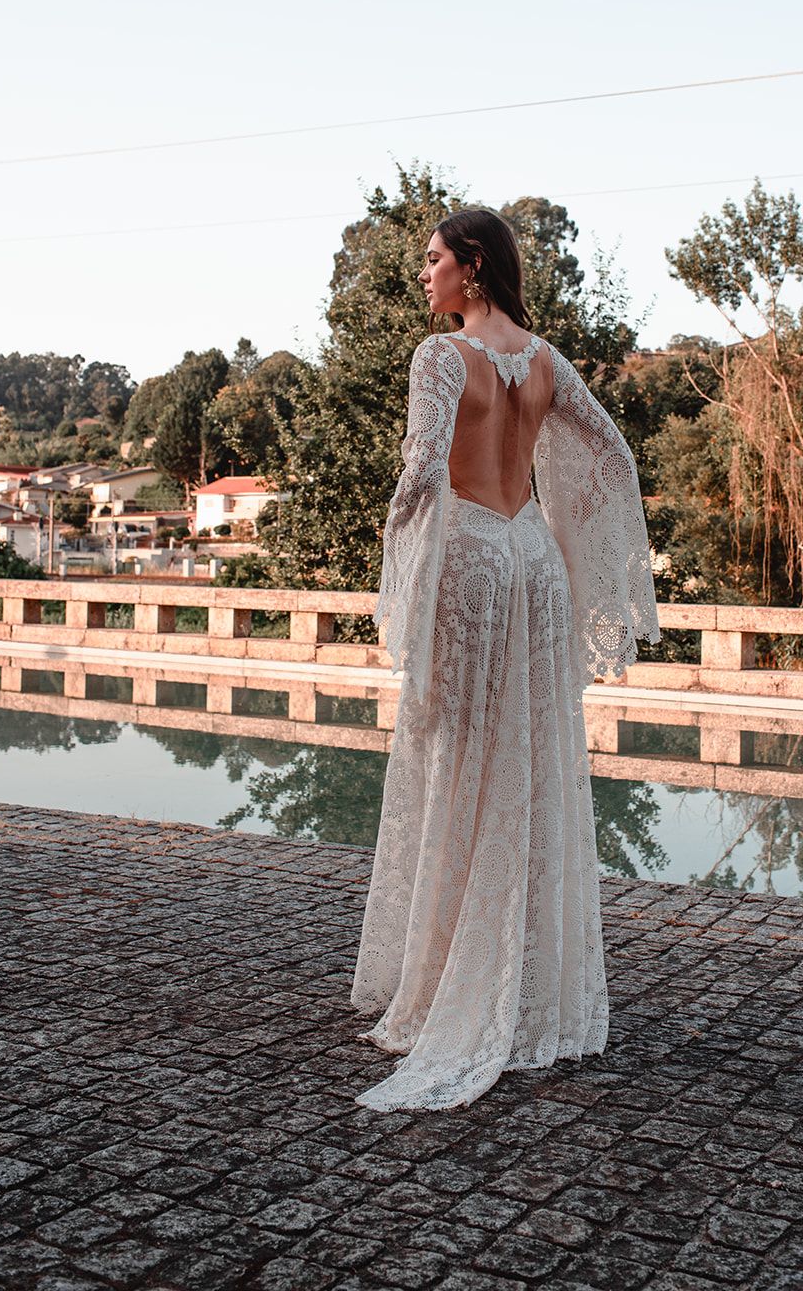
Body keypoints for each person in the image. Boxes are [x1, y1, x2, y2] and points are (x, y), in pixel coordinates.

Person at [351, 207, 659, 1111]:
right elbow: (613, 456)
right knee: (528, 766)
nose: (424, 274)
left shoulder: (440, 359)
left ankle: (457, 984)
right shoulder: (546, 360)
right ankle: (533, 991)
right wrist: (566, 533)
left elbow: (418, 477)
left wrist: (396, 559)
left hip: (477, 564)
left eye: (433, 259)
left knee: (460, 759)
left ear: (471, 266)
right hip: (535, 562)